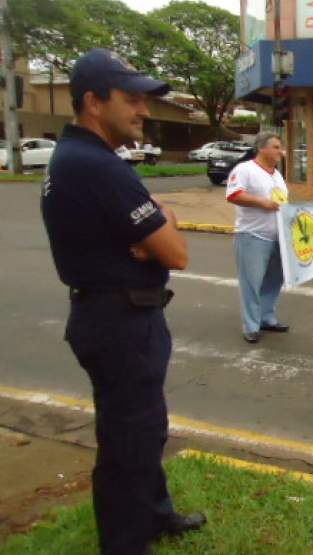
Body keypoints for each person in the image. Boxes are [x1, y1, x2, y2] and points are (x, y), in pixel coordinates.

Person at [40, 48, 204, 555]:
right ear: (93, 101)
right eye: (131, 99)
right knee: (130, 440)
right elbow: (176, 253)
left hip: (115, 313)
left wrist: (159, 216)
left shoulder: (85, 159)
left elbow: (158, 225)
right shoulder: (97, 167)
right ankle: (126, 543)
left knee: (142, 427)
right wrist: (162, 222)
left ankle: (155, 514)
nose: (144, 111)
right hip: (119, 319)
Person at [226, 132, 289, 344]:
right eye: (276, 147)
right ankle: (251, 326)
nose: (280, 151)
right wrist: (262, 203)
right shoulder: (245, 169)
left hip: (277, 237)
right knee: (251, 283)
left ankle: (266, 317)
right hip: (252, 235)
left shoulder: (277, 174)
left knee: (274, 280)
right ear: (262, 148)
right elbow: (234, 194)